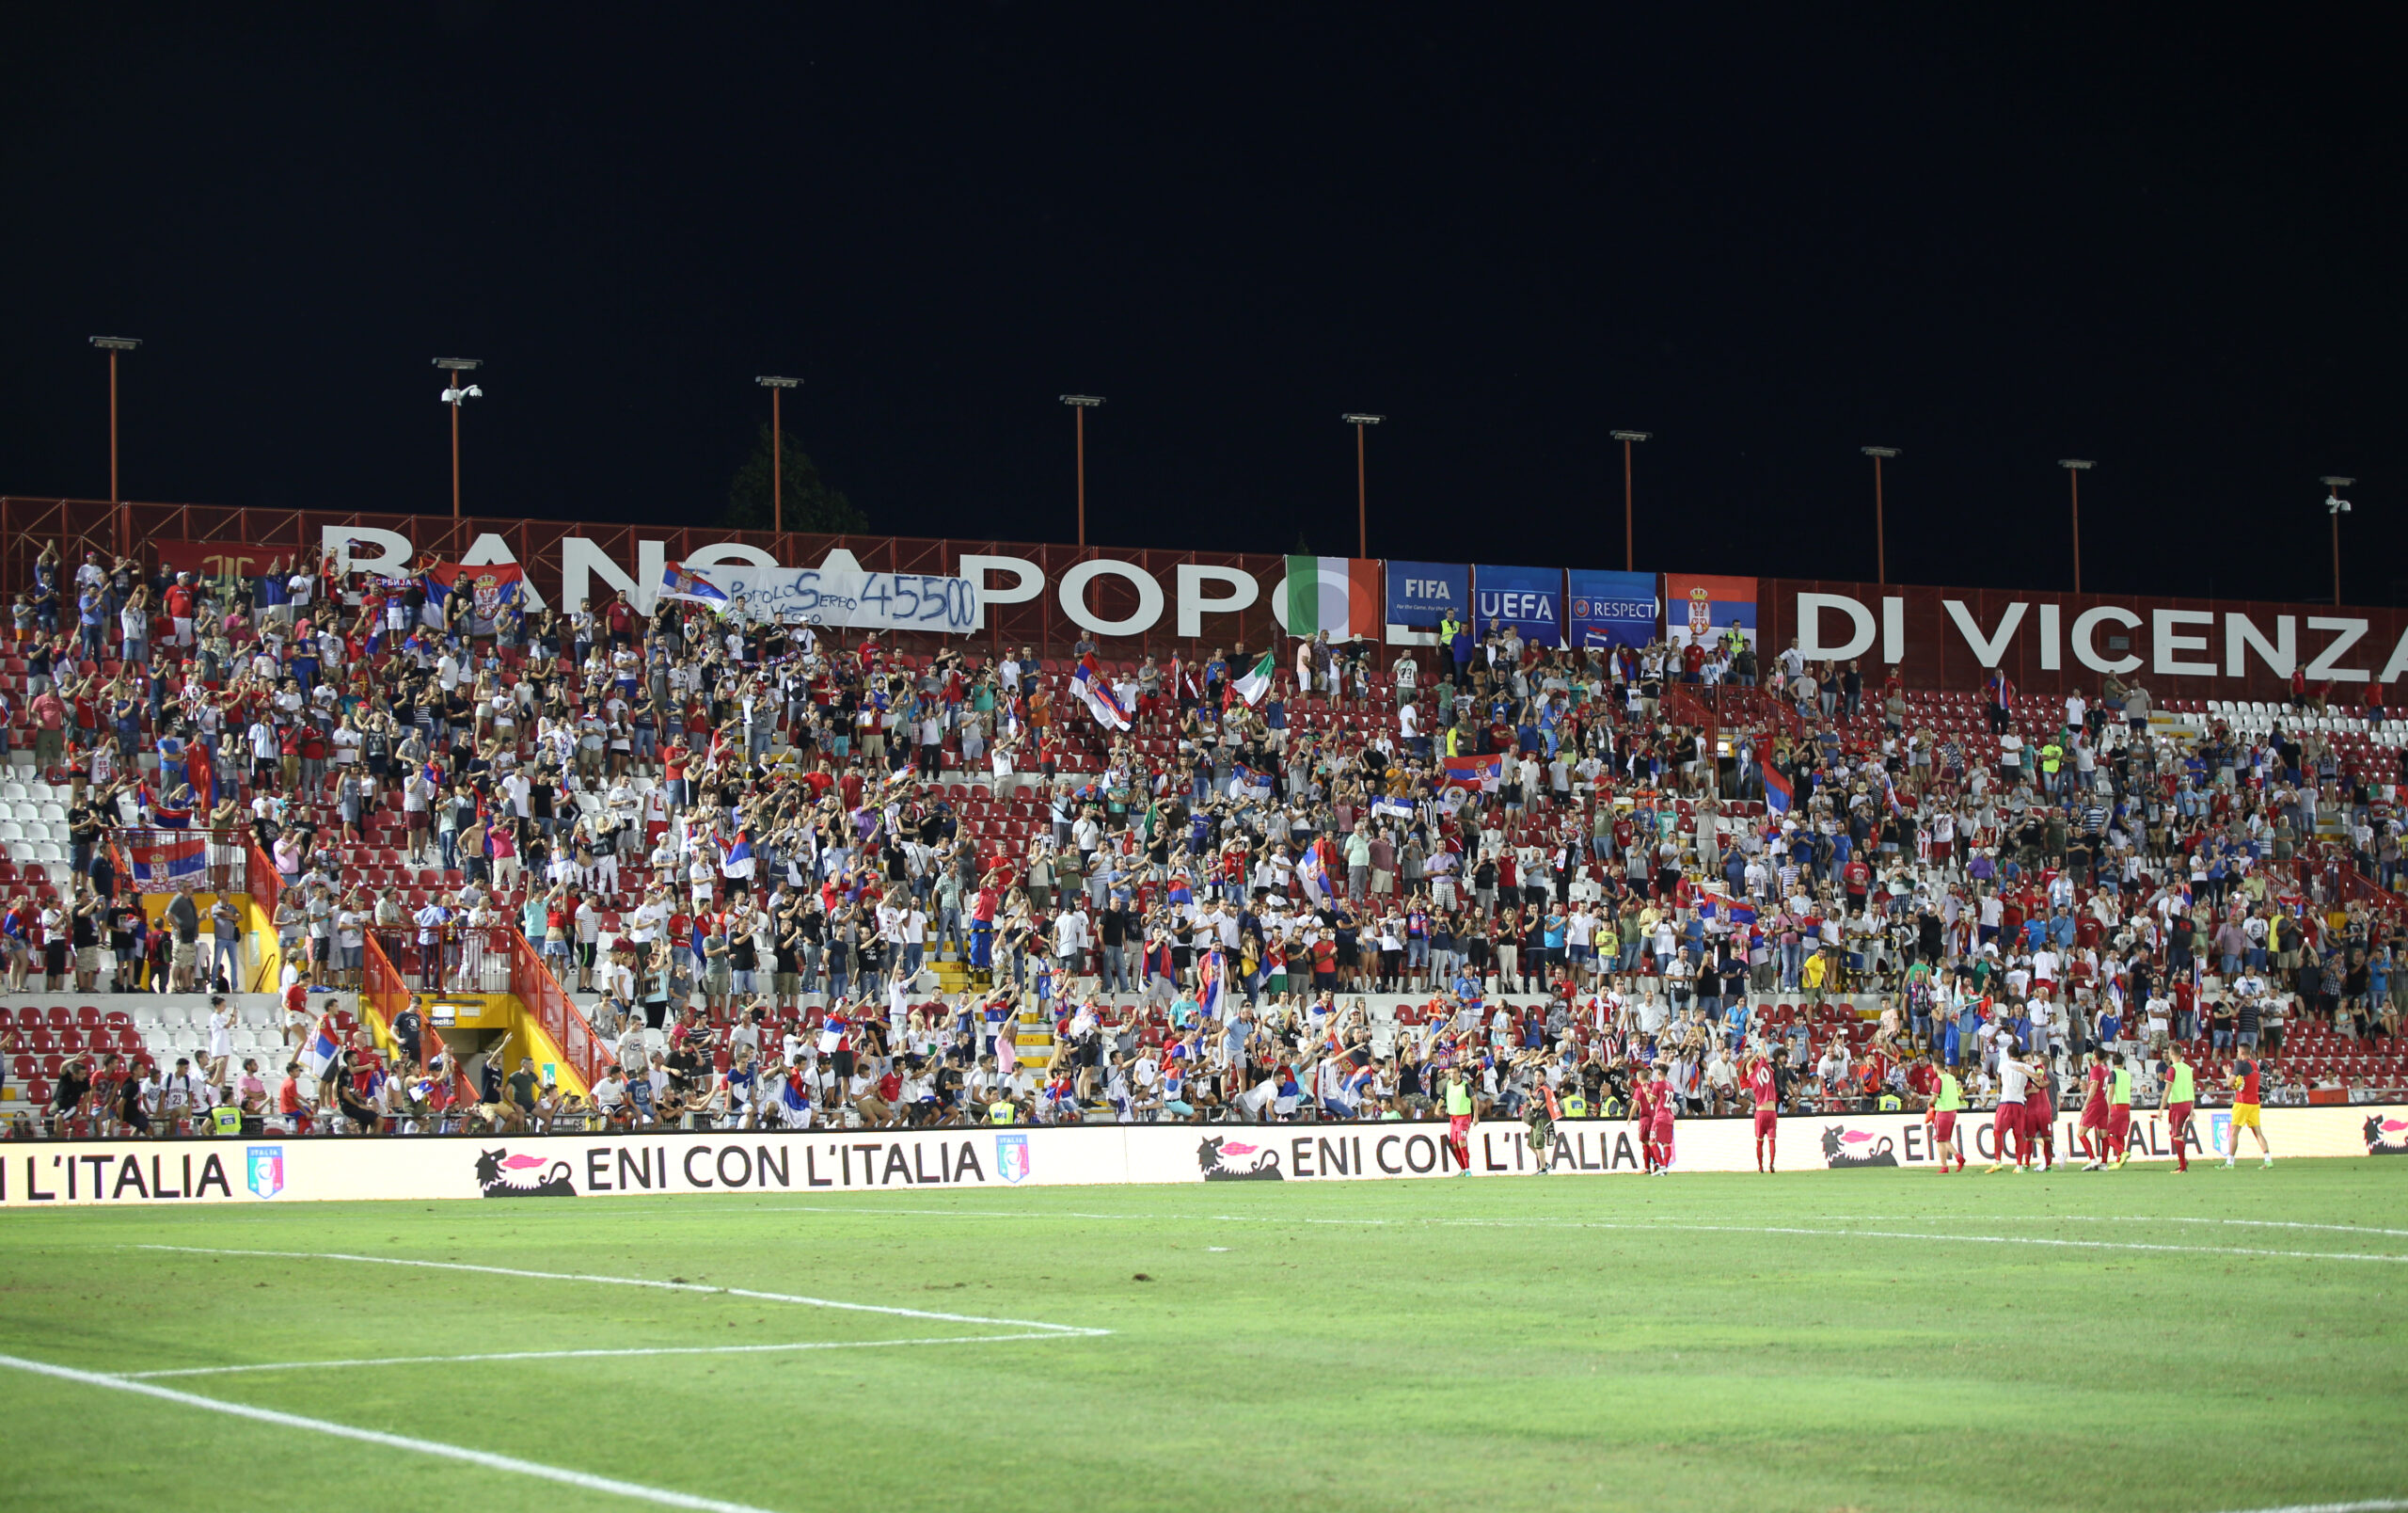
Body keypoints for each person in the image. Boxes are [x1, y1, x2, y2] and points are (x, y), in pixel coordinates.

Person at [1985, 1045, 2035, 1174]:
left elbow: (1999, 1076)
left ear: (2008, 1054)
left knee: (1998, 1132)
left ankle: (1998, 1161)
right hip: (2020, 1104)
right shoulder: (2028, 1068)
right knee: (2019, 1136)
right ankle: (2019, 1165)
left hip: (2006, 1103)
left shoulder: (2004, 1065)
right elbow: (2036, 1078)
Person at [2222, 1057, 2273, 1169]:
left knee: (2234, 1133)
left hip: (2242, 1103)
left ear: (2241, 1052)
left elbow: (2231, 1084)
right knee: (2258, 1133)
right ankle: (2268, 1160)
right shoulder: (2255, 1065)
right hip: (2254, 1103)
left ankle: (2230, 1162)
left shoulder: (2241, 1065)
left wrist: (2227, 1074)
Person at [1744, 1046, 1780, 1172]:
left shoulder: (1754, 1079)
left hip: (1760, 1112)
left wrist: (1755, 1056)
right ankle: (1771, 1164)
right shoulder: (1770, 1075)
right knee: (1772, 1141)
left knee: (1759, 1142)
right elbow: (1767, 1061)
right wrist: (1763, 1048)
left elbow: (1748, 1066)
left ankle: (1760, 1167)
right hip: (1772, 1112)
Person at [1927, 1061, 1967, 1172]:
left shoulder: (1938, 1080)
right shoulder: (1951, 1078)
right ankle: (1945, 1166)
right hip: (1953, 1111)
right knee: (1944, 1139)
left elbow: (1934, 1098)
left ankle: (1957, 1157)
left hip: (1943, 1111)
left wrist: (1929, 1105)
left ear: (1936, 1067)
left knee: (1941, 1139)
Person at [2076, 1049, 2113, 1170]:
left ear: (2095, 1056)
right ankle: (2104, 1163)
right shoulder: (2105, 1069)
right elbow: (2097, 1076)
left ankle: (2093, 1160)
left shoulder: (2095, 1070)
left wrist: (2085, 1105)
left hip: (2094, 1104)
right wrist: (2089, 1062)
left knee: (2081, 1133)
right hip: (2103, 1103)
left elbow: (2093, 1088)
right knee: (2103, 1135)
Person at [2163, 1046, 2197, 1172]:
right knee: (2174, 1133)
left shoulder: (2172, 1069)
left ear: (2172, 1053)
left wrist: (2160, 1109)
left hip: (2177, 1105)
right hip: (2187, 1103)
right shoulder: (2187, 1068)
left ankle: (2182, 1166)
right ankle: (2182, 1159)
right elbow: (2191, 1088)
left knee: (2176, 1134)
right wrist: (2192, 1108)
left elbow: (2167, 1091)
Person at [2103, 1052, 2134, 1168]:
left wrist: (2107, 1109)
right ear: (2123, 1063)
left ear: (2112, 1063)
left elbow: (2111, 1091)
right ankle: (2118, 1161)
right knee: (2120, 1134)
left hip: (2116, 1106)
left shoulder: (2113, 1074)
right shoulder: (2127, 1074)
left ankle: (2122, 1152)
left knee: (2105, 1133)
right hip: (2126, 1106)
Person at [1442, 1065, 1473, 1173]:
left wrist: (1476, 1116)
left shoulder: (1465, 1085)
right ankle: (1462, 1169)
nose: (1452, 1075)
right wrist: (1437, 1108)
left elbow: (1474, 1100)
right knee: (1454, 1143)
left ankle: (1468, 1169)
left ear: (1459, 1073)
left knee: (1461, 1142)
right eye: (1451, 1073)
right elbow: (1442, 1098)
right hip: (1453, 1118)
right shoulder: (1448, 1085)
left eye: (1455, 1072)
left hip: (1464, 1117)